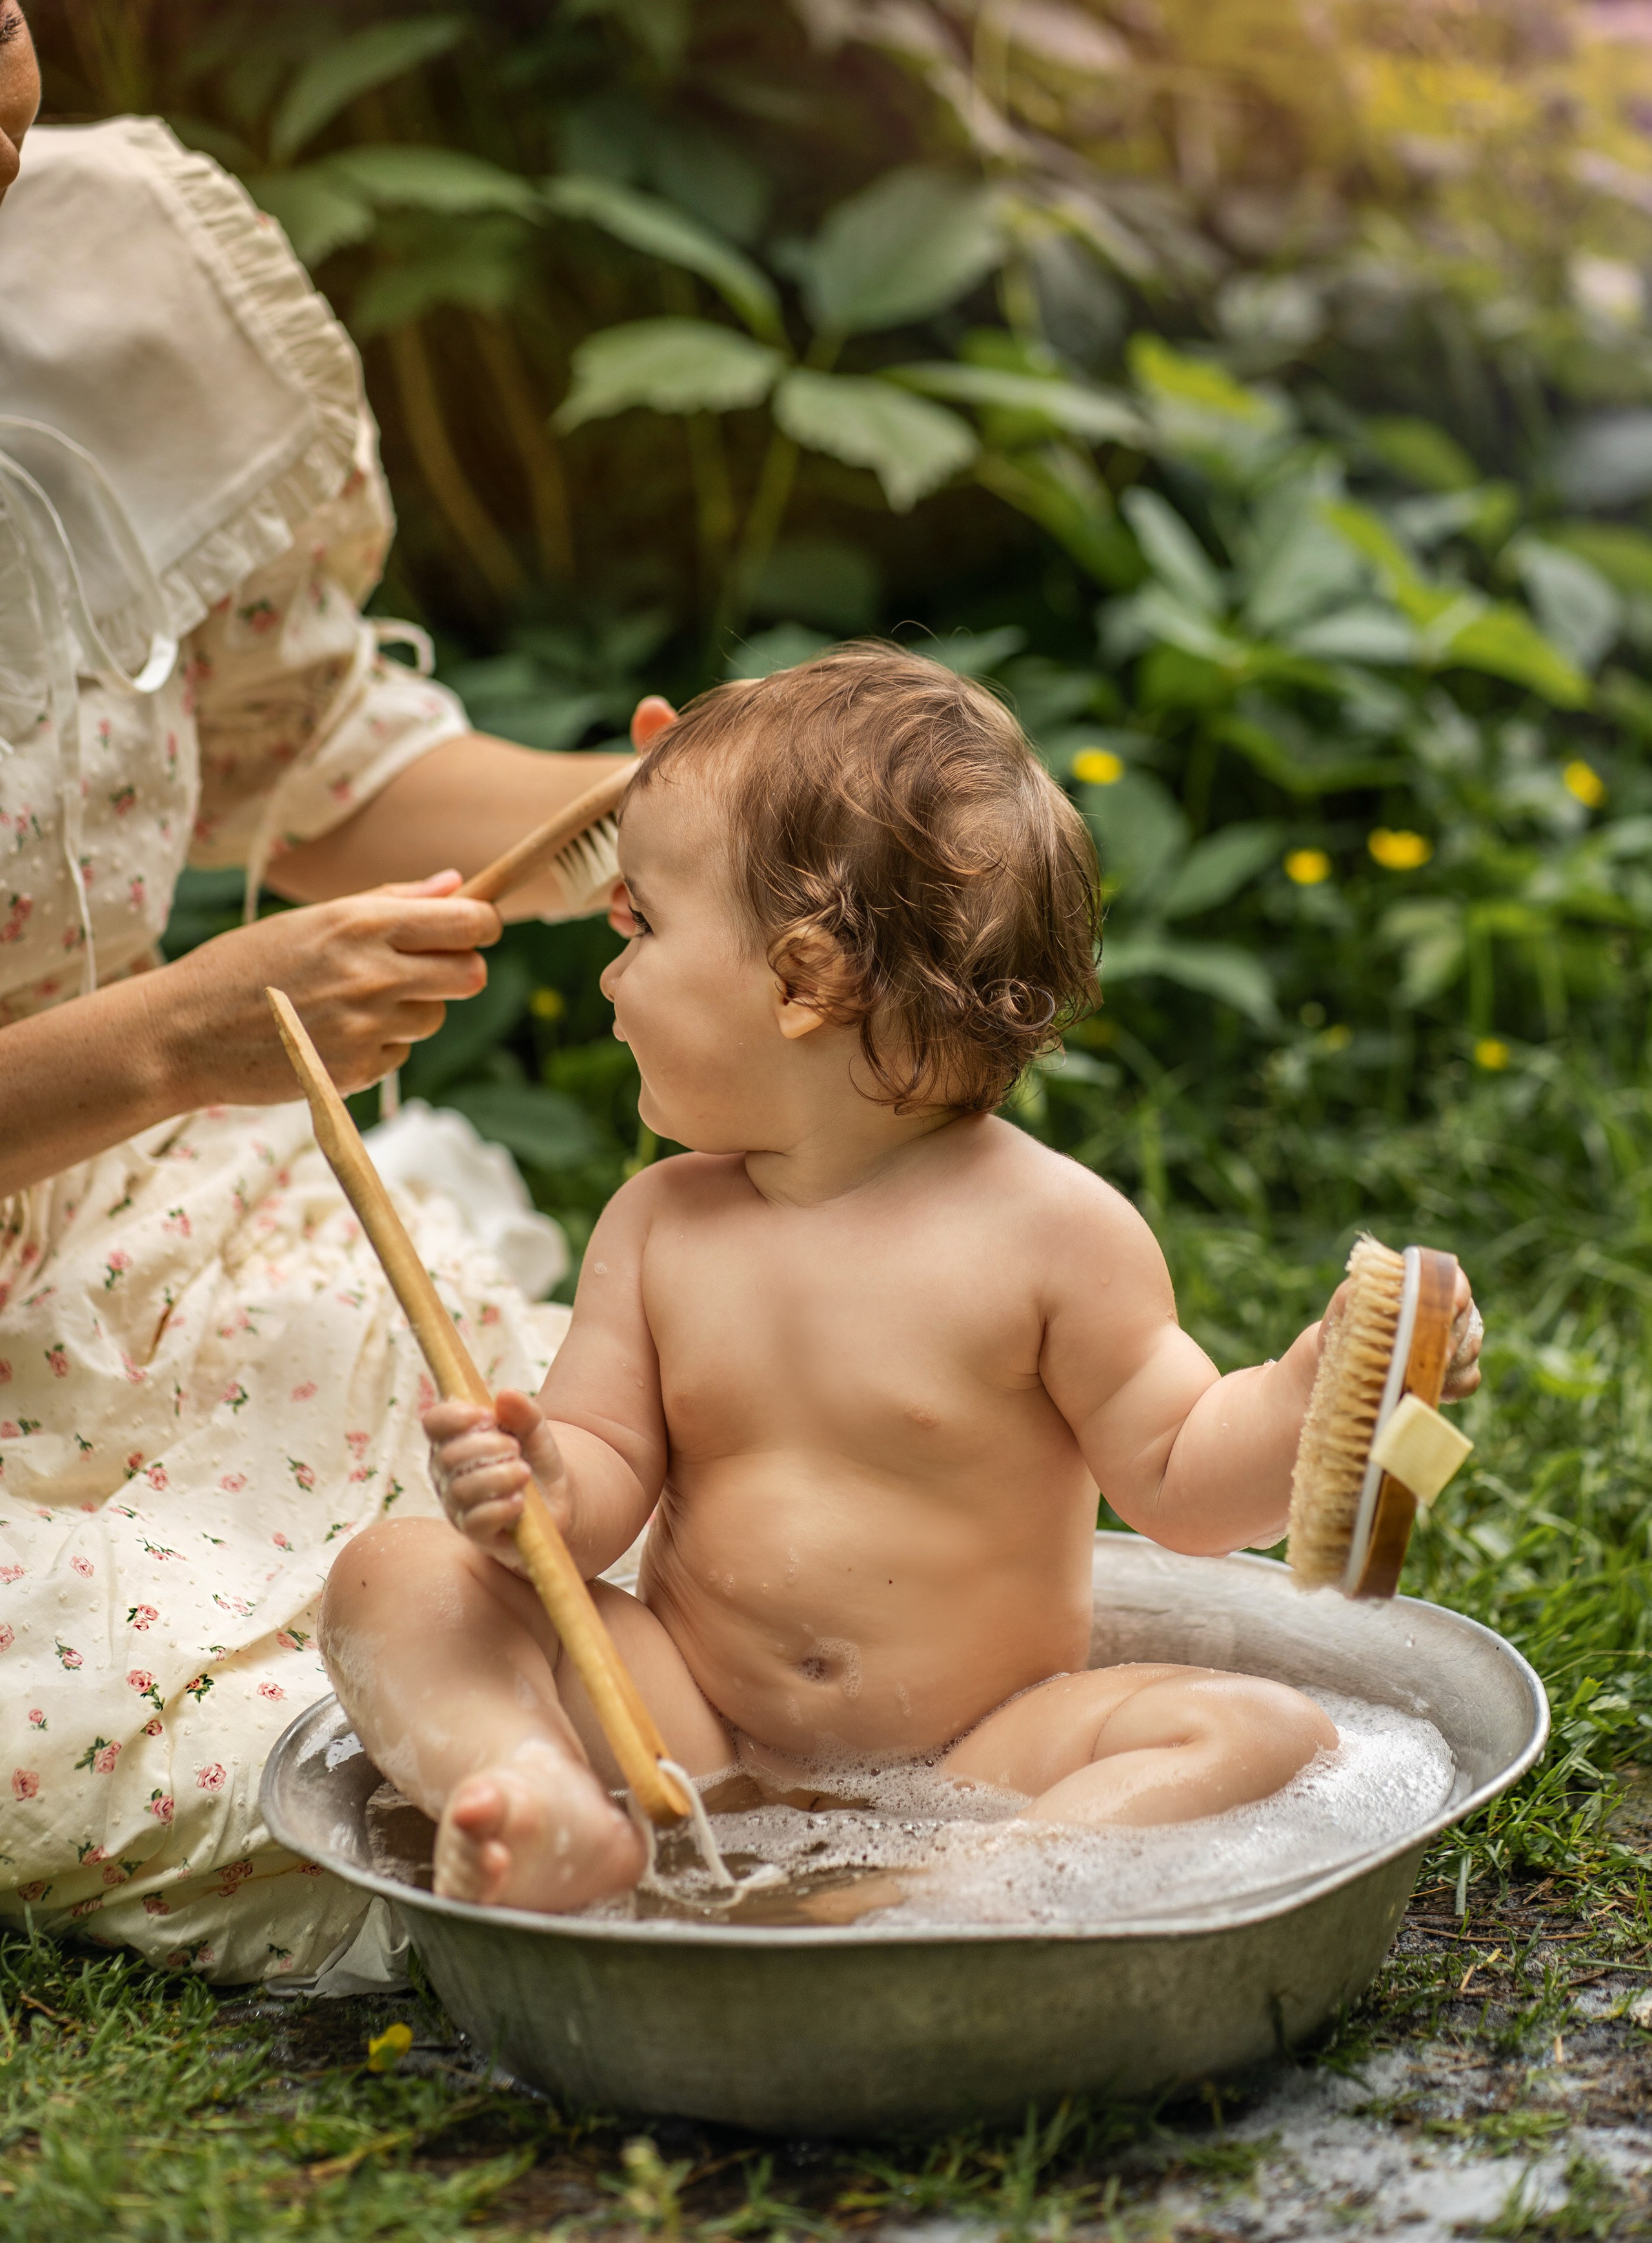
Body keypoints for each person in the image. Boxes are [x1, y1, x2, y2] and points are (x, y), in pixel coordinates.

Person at [322, 648, 1485, 1915]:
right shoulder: (660, 1225)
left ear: (802, 981)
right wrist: (542, 1488)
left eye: (641, 925)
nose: (609, 975)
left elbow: (1185, 1482)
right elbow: (600, 1483)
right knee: (399, 1574)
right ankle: (533, 1787)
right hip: (689, 1729)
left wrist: (1321, 1389)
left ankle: (967, 1882)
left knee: (1261, 1729)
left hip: (986, 1752)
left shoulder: (1054, 1234)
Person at [0, 0, 666, 1980]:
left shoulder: (97, 293)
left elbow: (320, 770)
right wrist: (176, 1037)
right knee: (222, 1733)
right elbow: (185, 1024)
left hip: (121, 1233)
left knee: (527, 1515)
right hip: (115, 1122)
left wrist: (679, 810)